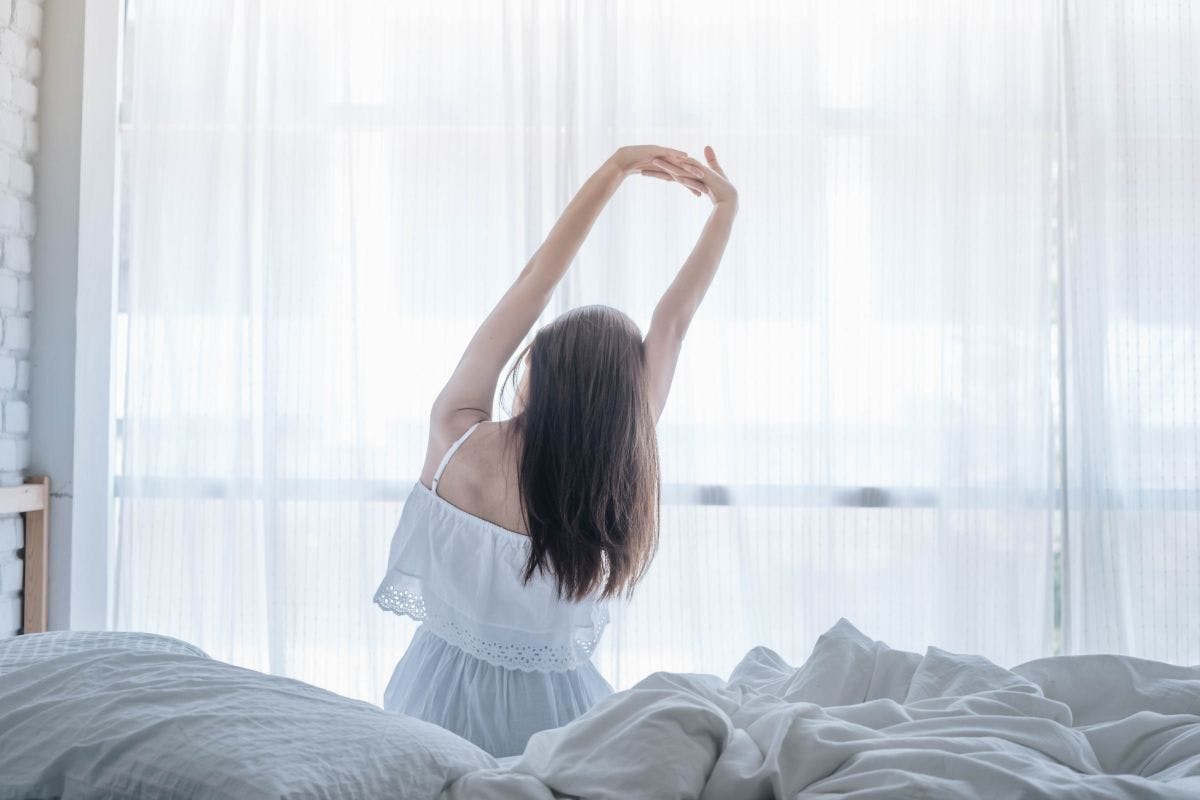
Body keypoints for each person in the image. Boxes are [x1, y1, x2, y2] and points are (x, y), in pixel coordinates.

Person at [374, 144, 737, 757]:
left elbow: (533, 287)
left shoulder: (456, 435)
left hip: (431, 701)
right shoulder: (612, 471)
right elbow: (673, 320)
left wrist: (616, 168)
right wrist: (725, 207)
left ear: (535, 367)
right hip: (559, 719)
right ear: (626, 400)